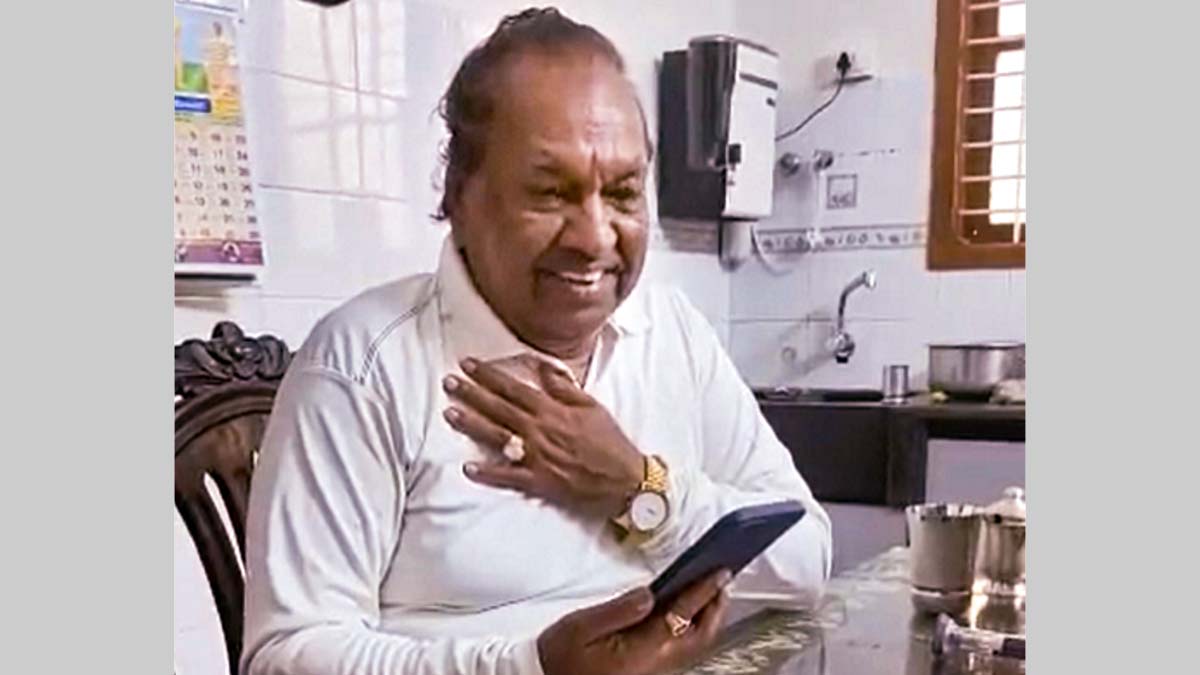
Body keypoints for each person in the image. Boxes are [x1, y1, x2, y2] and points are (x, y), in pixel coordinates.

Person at [240, 8, 832, 675]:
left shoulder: (673, 334)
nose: (594, 238)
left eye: (623, 193)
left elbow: (807, 557)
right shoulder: (364, 365)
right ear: (460, 196)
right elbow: (286, 655)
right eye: (551, 193)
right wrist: (532, 666)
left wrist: (639, 490)